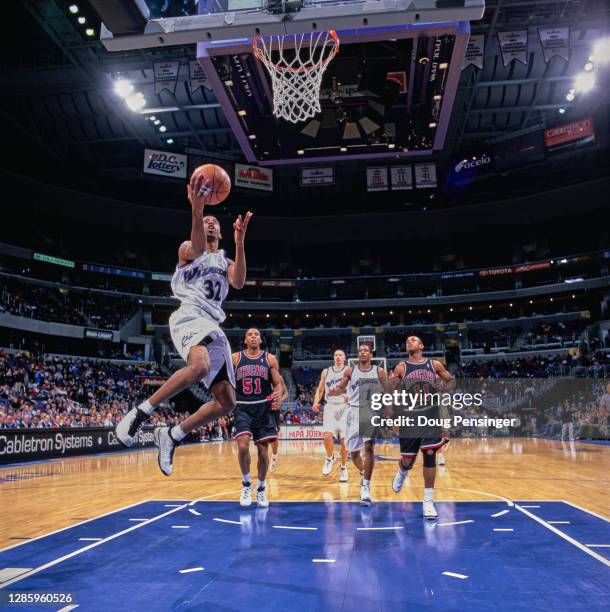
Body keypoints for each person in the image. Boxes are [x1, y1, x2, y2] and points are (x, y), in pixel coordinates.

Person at [115, 171, 252, 476]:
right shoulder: (187, 250)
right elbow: (200, 248)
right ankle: (141, 413)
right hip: (189, 314)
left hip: (214, 325)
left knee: (227, 401)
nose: (211, 223)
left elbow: (239, 282)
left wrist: (240, 242)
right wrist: (197, 209)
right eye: (206, 222)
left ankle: (173, 435)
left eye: (214, 222)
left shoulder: (227, 262)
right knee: (200, 366)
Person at [390, 336, 455, 519]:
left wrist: (444, 388)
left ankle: (428, 501)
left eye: (413, 340)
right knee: (408, 461)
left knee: (429, 455)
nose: (409, 341)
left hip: (430, 415)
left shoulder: (434, 365)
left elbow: (451, 381)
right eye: (407, 340)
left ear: (421, 345)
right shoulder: (401, 367)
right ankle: (402, 469)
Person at [328, 344, 389, 506]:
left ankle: (366, 487)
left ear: (371, 355)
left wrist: (390, 408)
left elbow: (388, 390)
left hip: (369, 411)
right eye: (360, 351)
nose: (362, 352)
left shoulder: (379, 371)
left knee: (369, 448)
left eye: (365, 351)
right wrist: (335, 391)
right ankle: (363, 472)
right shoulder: (350, 371)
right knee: (354, 454)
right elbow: (341, 388)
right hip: (353, 412)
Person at [232, 328, 287, 507]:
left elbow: (278, 384)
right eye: (250, 335)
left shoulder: (270, 359)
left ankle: (261, 488)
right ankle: (246, 483)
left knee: (263, 453)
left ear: (261, 340)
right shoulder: (235, 358)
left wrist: (278, 396)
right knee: (242, 446)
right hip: (242, 407)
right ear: (245, 340)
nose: (254, 337)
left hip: (263, 407)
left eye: (256, 335)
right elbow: (226, 382)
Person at [312, 350, 349, 481]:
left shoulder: (349, 371)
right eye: (336, 355)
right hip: (330, 406)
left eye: (340, 355)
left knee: (345, 441)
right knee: (327, 436)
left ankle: (343, 467)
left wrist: (351, 397)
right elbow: (320, 389)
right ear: (333, 357)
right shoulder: (326, 371)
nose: (338, 357)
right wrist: (316, 402)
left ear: (344, 358)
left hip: (345, 407)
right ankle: (330, 457)